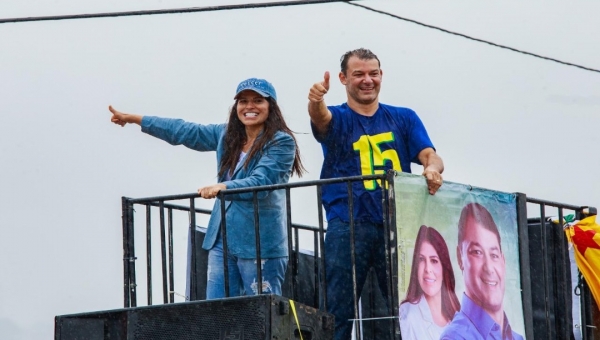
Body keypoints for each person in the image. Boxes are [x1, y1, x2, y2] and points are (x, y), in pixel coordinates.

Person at [109, 78, 305, 299]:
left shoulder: (281, 142)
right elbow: (184, 131)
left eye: (258, 100)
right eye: (243, 101)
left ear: (271, 107)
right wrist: (136, 119)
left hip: (259, 243)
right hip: (221, 241)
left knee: (260, 316)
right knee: (218, 314)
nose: (249, 106)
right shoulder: (226, 134)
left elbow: (262, 182)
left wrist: (223, 186)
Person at [307, 48, 445, 340]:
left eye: (373, 73)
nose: (367, 80)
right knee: (336, 310)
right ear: (344, 78)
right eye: (359, 74)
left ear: (382, 76)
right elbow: (321, 120)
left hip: (398, 227)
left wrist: (432, 170)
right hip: (348, 225)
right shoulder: (340, 118)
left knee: (410, 307)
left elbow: (430, 156)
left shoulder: (404, 117)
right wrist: (315, 100)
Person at [440, 203, 524, 340]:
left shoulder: (517, 337)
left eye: (494, 255)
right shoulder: (455, 337)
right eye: (477, 252)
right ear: (460, 257)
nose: (489, 268)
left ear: (503, 261)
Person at [399, 225, 460, 339]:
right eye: (421, 259)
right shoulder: (408, 314)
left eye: (434, 260)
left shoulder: (457, 316)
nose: (427, 269)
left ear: (444, 267)